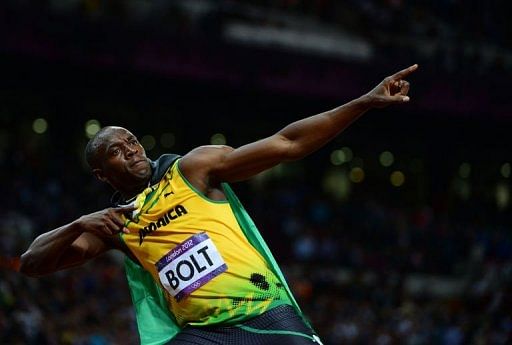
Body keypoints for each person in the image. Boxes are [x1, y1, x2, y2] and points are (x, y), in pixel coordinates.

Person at [19, 64, 418, 344]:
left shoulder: (192, 168)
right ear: (102, 174)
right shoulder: (116, 224)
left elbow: (286, 144)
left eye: (132, 142)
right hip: (208, 334)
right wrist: (78, 225)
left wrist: (364, 102)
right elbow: (32, 263)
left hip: (266, 312)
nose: (132, 151)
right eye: (117, 152)